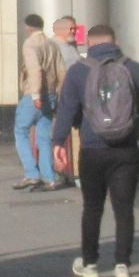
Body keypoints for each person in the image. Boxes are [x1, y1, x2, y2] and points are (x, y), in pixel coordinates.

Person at [52, 23, 139, 277]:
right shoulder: (134, 68)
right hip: (126, 150)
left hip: (92, 148)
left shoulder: (78, 71)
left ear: (89, 43)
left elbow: (66, 109)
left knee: (92, 207)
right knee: (124, 209)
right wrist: (134, 130)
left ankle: (90, 264)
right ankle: (123, 265)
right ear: (115, 42)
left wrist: (58, 142)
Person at [13, 14, 62, 191]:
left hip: (34, 95)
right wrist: (58, 95)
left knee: (21, 132)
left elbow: (35, 70)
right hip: (51, 94)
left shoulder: (30, 44)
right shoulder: (52, 44)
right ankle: (49, 178)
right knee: (43, 136)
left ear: (28, 27)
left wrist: (35, 95)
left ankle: (31, 174)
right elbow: (61, 71)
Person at [49, 16, 84, 189]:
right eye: (71, 28)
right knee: (57, 134)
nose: (74, 31)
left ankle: (73, 173)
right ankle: (60, 172)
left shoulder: (71, 46)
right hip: (61, 97)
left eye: (75, 28)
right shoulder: (54, 47)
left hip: (74, 97)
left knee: (72, 136)